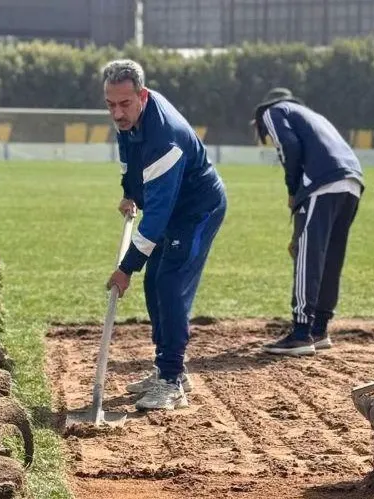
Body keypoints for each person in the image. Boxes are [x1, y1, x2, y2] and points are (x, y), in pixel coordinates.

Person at [103, 59, 227, 411]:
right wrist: (130, 192)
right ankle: (167, 369)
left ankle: (171, 381)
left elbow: (155, 218)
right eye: (110, 104)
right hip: (170, 206)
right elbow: (130, 158)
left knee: (170, 283)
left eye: (125, 103)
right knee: (154, 281)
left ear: (142, 95)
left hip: (196, 210)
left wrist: (126, 268)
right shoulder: (128, 119)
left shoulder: (164, 138)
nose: (117, 112)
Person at [251, 87, 365, 356]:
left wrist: (292, 190)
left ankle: (302, 332)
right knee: (330, 257)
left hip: (321, 184)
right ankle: (319, 329)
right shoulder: (312, 115)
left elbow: (289, 146)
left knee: (309, 256)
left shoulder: (272, 111)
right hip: (352, 183)